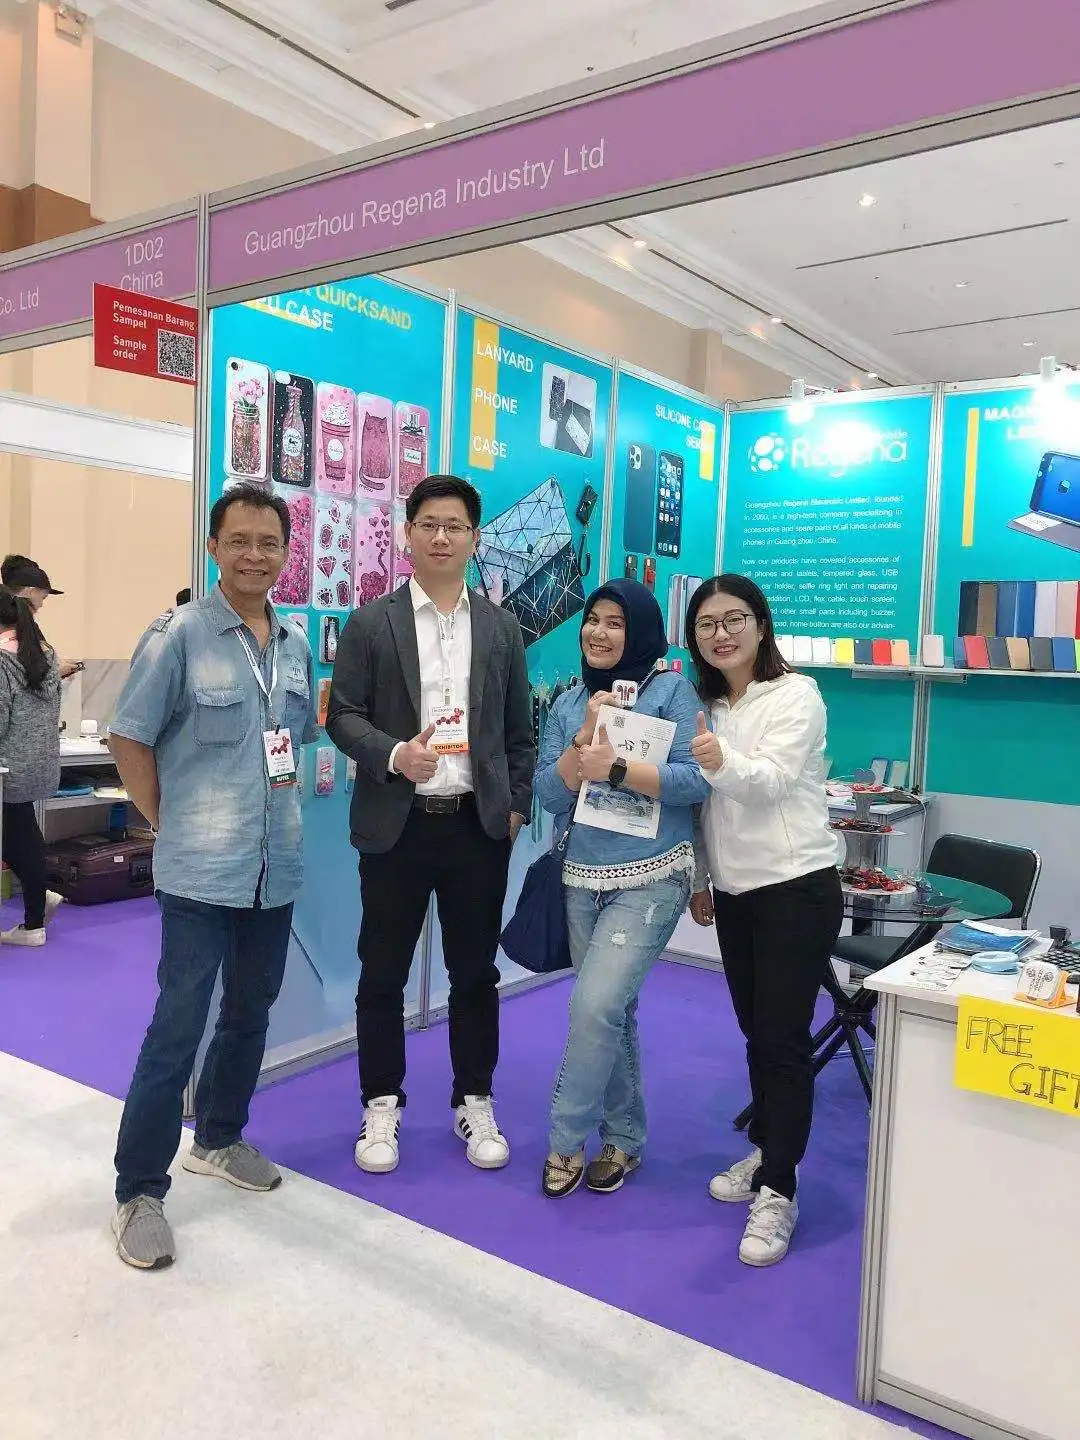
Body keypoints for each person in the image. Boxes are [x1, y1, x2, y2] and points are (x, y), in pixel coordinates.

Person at [107, 481, 317, 1271]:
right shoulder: (179, 636)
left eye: (269, 543)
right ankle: (139, 1191)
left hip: (274, 867)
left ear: (286, 552)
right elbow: (129, 736)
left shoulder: (294, 646)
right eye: (239, 541)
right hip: (198, 871)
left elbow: (291, 742)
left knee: (251, 1012)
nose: (255, 555)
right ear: (213, 547)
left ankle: (219, 1139)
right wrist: (166, 818)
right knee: (178, 1025)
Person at [326, 474, 534, 1175]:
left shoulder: (502, 627)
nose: (442, 537)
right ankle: (380, 1103)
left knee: (474, 973)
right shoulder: (370, 623)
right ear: (407, 534)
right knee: (381, 972)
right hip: (398, 824)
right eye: (429, 525)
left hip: (476, 826)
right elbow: (342, 715)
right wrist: (393, 754)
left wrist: (515, 805)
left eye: (456, 526)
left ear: (475, 538)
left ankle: (473, 1098)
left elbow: (519, 730)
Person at [534, 580, 710, 1198]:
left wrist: (617, 767)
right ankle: (625, 1136)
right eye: (593, 619)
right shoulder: (569, 702)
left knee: (593, 1006)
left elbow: (697, 781)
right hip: (581, 877)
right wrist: (585, 735)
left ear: (639, 632)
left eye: (615, 622)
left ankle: (564, 1140)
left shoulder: (670, 693)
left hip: (653, 875)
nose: (599, 632)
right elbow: (549, 795)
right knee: (613, 1011)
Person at [686, 575, 842, 1268]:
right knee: (757, 1033)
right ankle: (768, 1149)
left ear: (761, 624)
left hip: (795, 888)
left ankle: (780, 1187)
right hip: (736, 892)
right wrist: (702, 879)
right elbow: (703, 808)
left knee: (782, 1040)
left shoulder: (796, 695)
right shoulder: (710, 706)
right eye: (706, 624)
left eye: (734, 619)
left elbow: (771, 782)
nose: (721, 634)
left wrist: (718, 758)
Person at [0, 586, 64, 947]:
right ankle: (39, 898)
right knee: (21, 833)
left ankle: (34, 920)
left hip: (8, 769)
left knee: (15, 839)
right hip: (39, 763)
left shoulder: (2, 660)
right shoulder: (46, 653)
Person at [1, 554, 81, 679]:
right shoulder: (9, 627)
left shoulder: (30, 628)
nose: (41, 605)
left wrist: (55, 670)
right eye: (43, 597)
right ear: (30, 592)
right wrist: (53, 672)